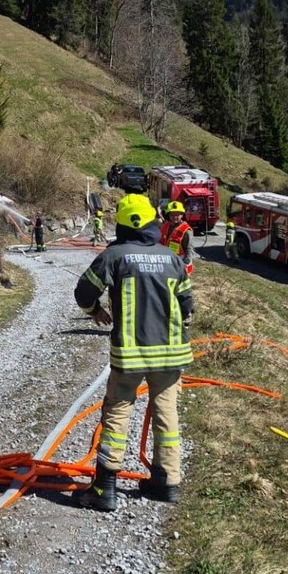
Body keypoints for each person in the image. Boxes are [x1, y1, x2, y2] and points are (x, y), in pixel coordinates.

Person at [72, 194, 193, 511]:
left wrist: (95, 311)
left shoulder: (115, 256)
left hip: (130, 355)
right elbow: (187, 305)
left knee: (117, 411)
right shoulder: (172, 258)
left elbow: (83, 292)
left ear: (123, 223)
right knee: (167, 416)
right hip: (171, 354)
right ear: (153, 222)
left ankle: (104, 489)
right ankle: (166, 483)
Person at [160, 200, 194, 276]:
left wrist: (185, 265)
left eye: (177, 215)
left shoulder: (186, 230)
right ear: (168, 215)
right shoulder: (166, 225)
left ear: (182, 215)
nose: (175, 217)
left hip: (180, 263)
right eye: (172, 215)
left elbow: (189, 250)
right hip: (166, 261)